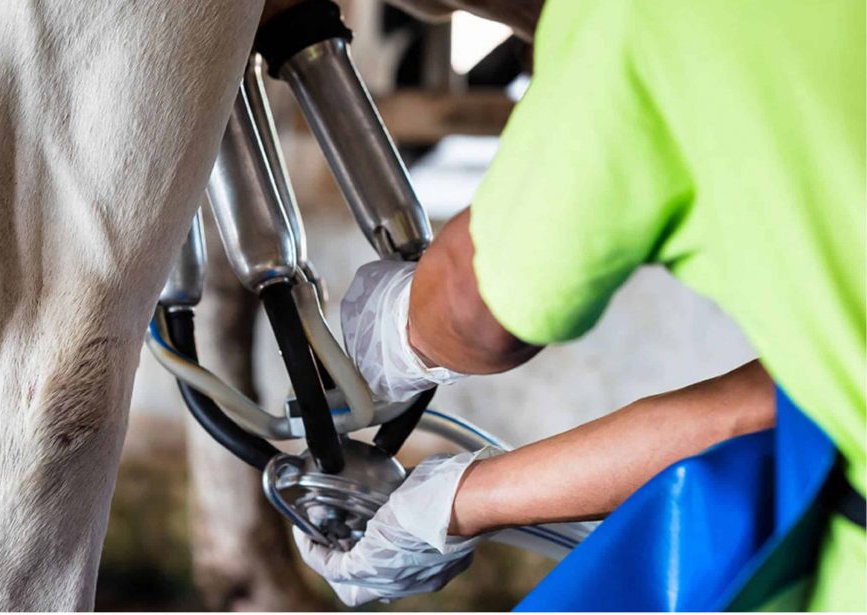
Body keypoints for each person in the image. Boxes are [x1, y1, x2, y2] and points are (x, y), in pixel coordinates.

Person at [292, 0, 865, 610]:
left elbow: (473, 312)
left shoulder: (634, 18)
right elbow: (774, 404)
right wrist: (458, 502)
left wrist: (397, 336)